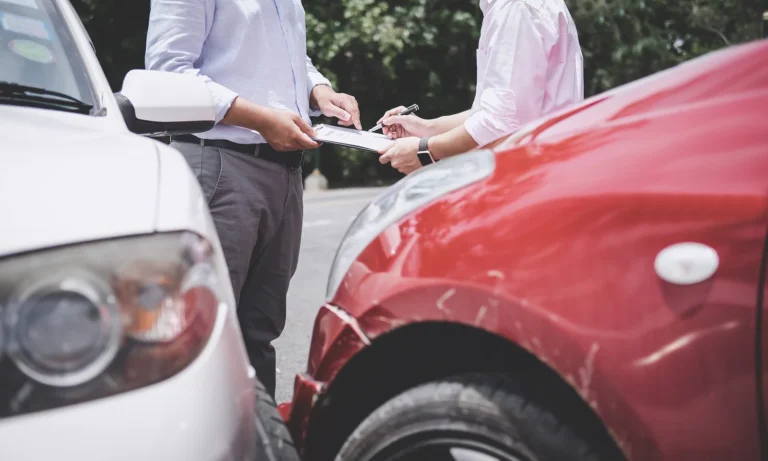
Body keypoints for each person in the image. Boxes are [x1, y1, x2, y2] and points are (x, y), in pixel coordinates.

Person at [145, 0, 361, 398]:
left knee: (258, 332)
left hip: (284, 172)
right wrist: (260, 119)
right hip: (221, 166)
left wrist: (319, 90)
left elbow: (288, 59)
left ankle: (255, 442)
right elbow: (168, 72)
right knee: (205, 333)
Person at [378, 0, 583, 174]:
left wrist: (425, 150)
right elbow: (497, 112)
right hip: (543, 171)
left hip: (531, 178)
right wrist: (426, 128)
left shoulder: (514, 8)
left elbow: (500, 122)